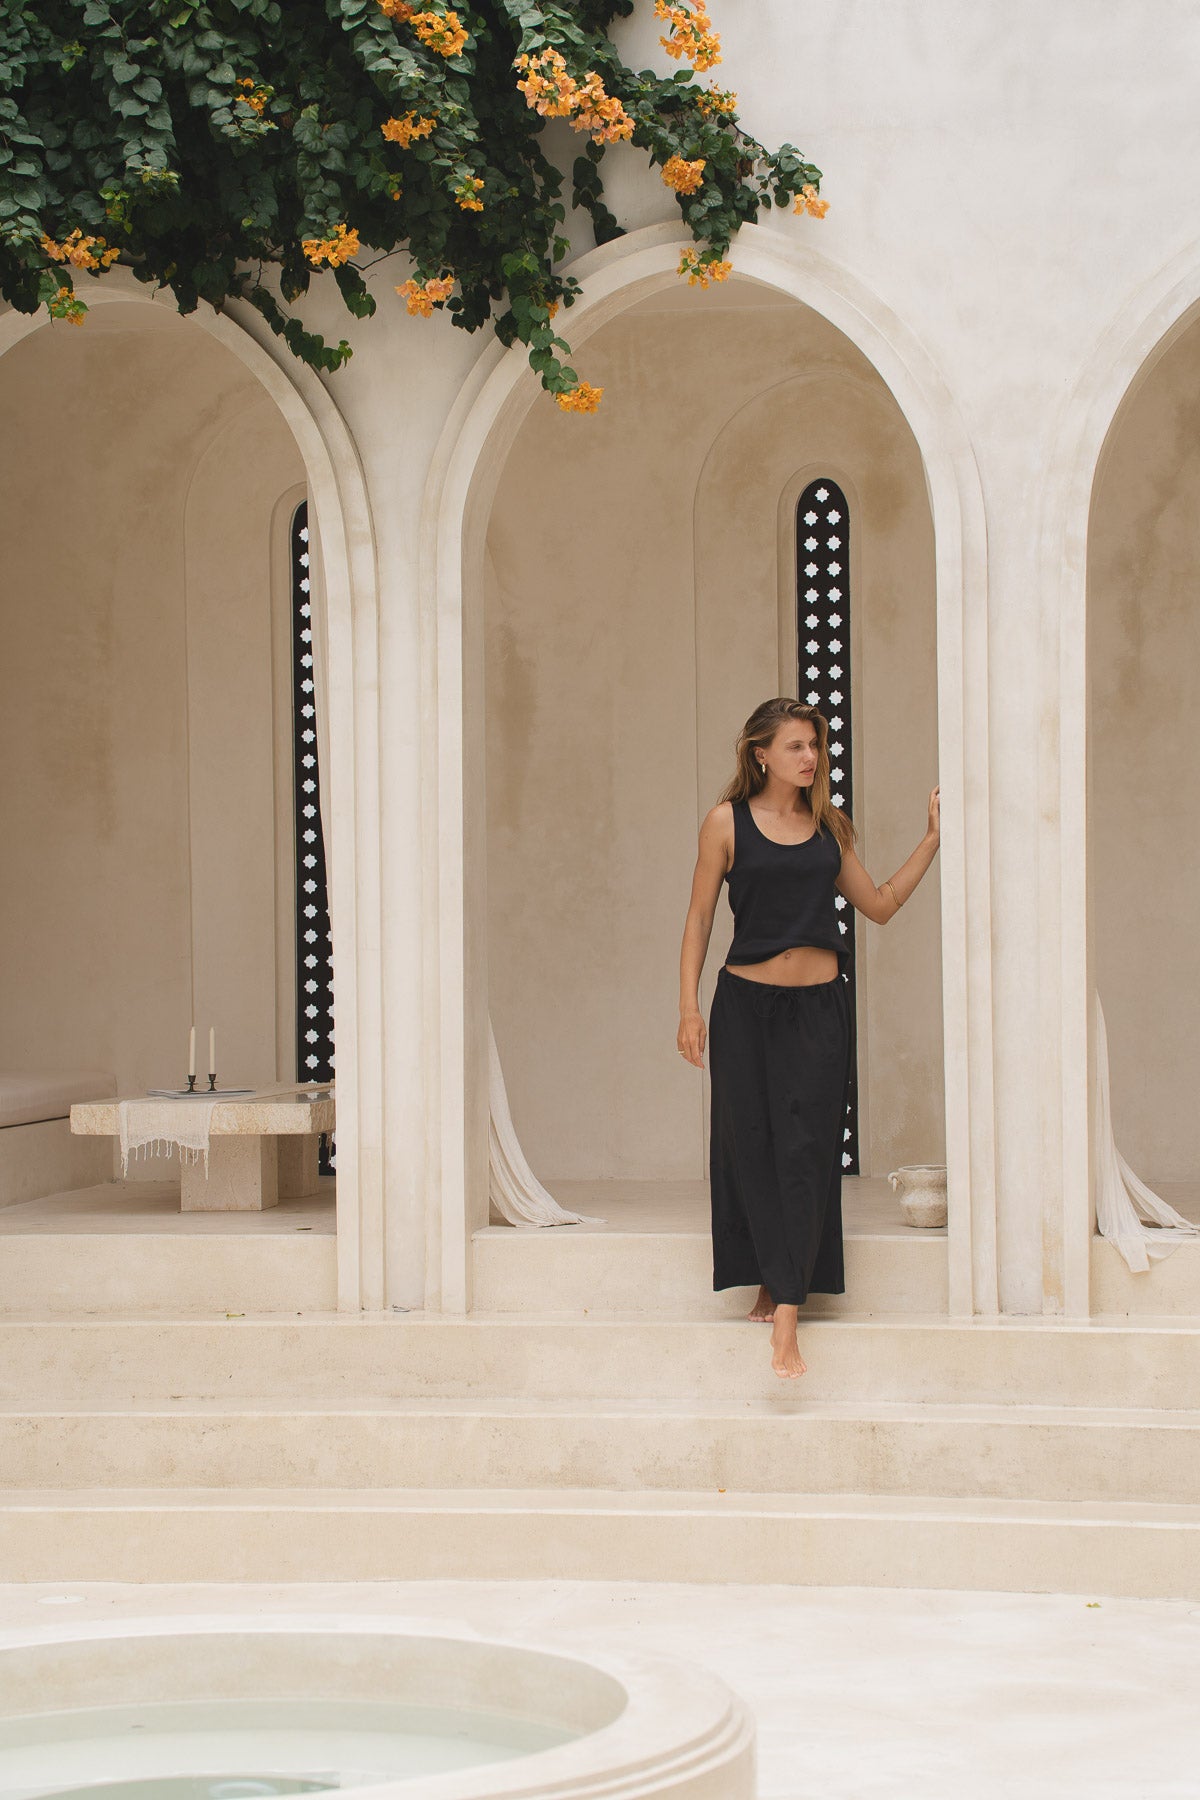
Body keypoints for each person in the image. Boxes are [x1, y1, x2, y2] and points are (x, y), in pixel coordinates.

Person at [677, 697, 940, 1380]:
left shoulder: (829, 829)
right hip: (745, 1009)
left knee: (808, 1150)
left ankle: (786, 1308)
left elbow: (879, 904)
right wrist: (688, 1007)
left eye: (815, 746)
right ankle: (776, 1282)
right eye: (796, 745)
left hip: (819, 1011)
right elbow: (700, 916)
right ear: (760, 753)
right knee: (752, 1148)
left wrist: (931, 840)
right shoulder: (726, 823)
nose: (810, 757)